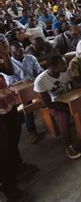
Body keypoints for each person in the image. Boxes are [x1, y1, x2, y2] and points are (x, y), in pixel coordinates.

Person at [35, 52, 81, 160]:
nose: (66, 66)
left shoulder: (66, 72)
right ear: (53, 67)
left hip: (70, 97)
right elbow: (47, 103)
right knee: (63, 117)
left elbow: (76, 85)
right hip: (55, 104)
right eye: (63, 64)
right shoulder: (41, 80)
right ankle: (68, 145)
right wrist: (68, 108)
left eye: (65, 63)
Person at [1, 41, 43, 143]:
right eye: (17, 50)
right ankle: (31, 131)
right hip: (18, 92)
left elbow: (40, 71)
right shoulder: (8, 63)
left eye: (21, 49)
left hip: (34, 85)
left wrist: (33, 79)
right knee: (27, 103)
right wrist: (23, 81)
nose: (21, 52)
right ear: (10, 51)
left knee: (47, 94)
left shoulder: (31, 58)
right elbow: (10, 83)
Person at [0, 36, 23, 200]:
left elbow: (9, 71)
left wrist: (5, 53)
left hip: (6, 103)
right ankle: (10, 187)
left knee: (13, 137)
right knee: (3, 148)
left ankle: (18, 166)